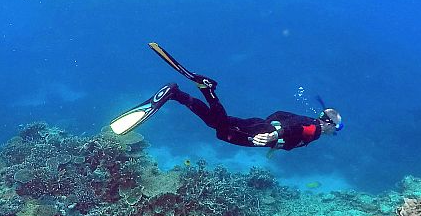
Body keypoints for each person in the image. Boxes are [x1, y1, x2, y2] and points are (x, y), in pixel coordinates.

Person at [109, 43, 343, 151]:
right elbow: (294, 128)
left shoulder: (308, 120)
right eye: (338, 129)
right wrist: (273, 134)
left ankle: (176, 94)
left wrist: (271, 128)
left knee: (215, 122)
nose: (335, 133)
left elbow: (282, 115)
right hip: (259, 132)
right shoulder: (316, 129)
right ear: (330, 124)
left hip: (259, 124)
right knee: (222, 132)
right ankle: (207, 90)